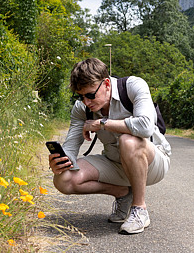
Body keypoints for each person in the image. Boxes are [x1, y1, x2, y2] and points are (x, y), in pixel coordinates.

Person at [48, 57, 171, 234]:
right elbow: (71, 147)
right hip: (115, 163)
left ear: (106, 84)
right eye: (81, 96)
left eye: (90, 95)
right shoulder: (81, 108)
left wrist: (102, 123)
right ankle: (123, 193)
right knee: (64, 180)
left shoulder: (133, 86)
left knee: (128, 141)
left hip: (153, 163)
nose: (86, 102)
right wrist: (61, 162)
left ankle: (139, 209)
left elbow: (145, 127)